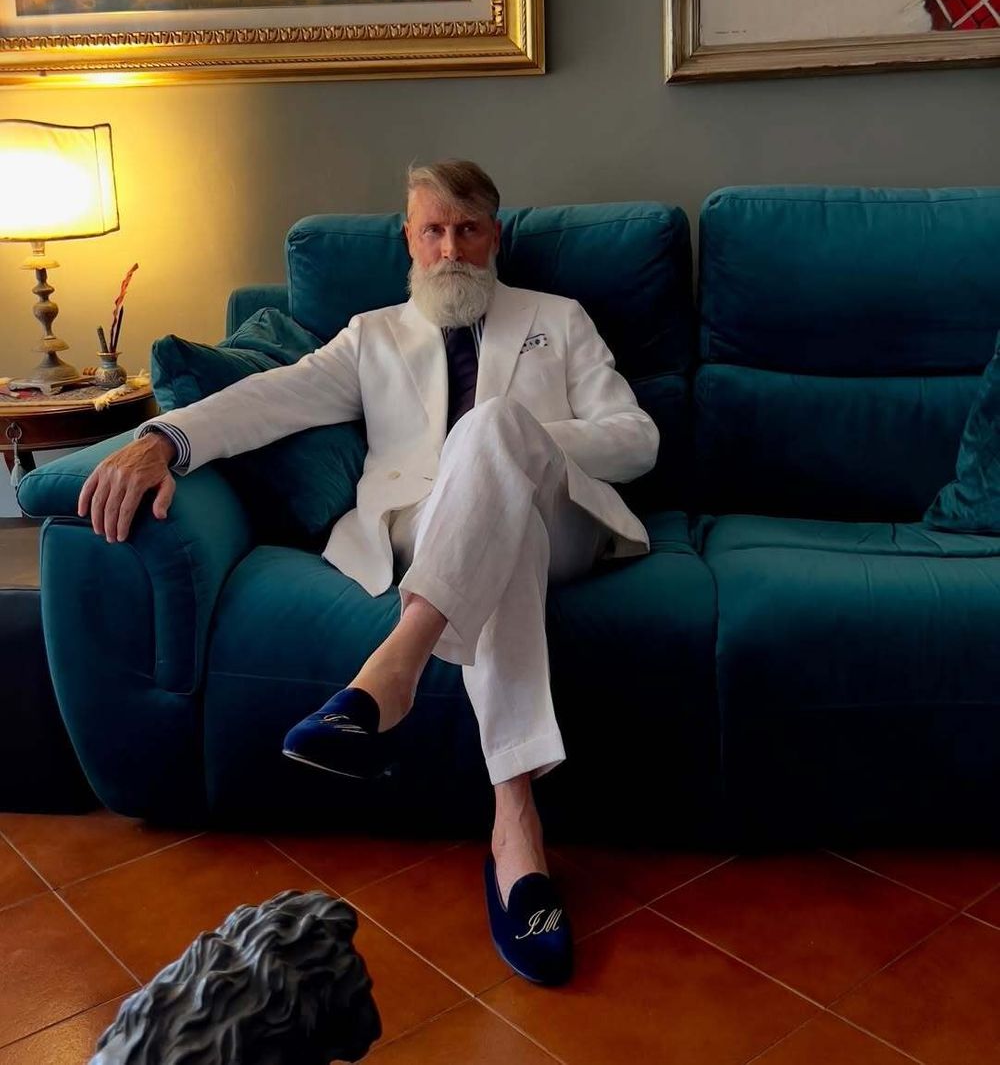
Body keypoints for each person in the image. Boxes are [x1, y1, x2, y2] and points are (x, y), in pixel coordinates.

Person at [78, 160, 659, 986]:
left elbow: (637, 438)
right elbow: (269, 397)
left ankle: (396, 666)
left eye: (468, 230)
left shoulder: (559, 319)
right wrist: (164, 439)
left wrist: (512, 443)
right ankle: (515, 831)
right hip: (433, 532)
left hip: (566, 515)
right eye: (434, 230)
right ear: (409, 241)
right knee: (505, 540)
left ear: (495, 237)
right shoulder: (371, 334)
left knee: (496, 436)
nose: (451, 248)